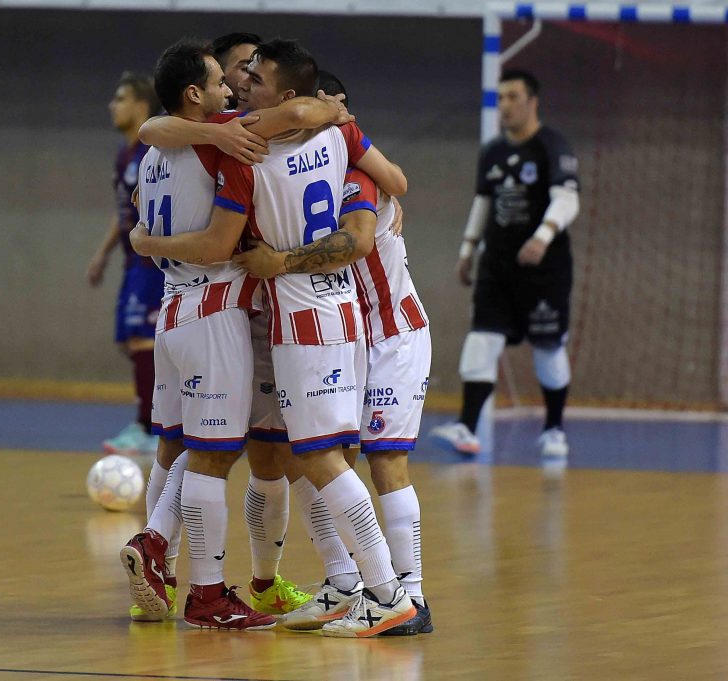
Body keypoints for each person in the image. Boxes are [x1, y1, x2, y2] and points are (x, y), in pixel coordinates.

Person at [131, 38, 416, 638]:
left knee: (284, 455)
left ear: (282, 95)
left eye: (252, 78)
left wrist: (146, 241)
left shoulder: (240, 150)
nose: (238, 86)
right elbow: (391, 176)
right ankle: (348, 584)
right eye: (231, 76)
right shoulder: (334, 135)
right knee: (270, 453)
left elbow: (161, 147)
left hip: (282, 315)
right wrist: (332, 112)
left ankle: (388, 592)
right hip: (324, 313)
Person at [233, 71, 433, 635]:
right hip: (351, 332)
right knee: (316, 456)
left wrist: (278, 262)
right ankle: (348, 584)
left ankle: (409, 596)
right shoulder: (318, 164)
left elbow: (361, 238)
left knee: (385, 460)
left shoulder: (355, 172)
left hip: (391, 332)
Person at [430, 68, 579, 459]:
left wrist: (542, 236)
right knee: (481, 340)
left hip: (545, 271)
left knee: (548, 348)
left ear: (532, 102)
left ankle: (554, 430)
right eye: (501, 98)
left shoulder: (552, 145)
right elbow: (483, 201)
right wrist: (468, 249)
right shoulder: (492, 151)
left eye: (514, 97)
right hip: (496, 266)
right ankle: (467, 428)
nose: (506, 105)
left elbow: (568, 199)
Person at [87, 72, 164, 457]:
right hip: (131, 260)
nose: (112, 106)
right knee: (131, 341)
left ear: (141, 105)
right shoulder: (124, 154)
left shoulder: (154, 152)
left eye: (120, 99)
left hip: (152, 262)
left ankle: (150, 427)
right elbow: (122, 215)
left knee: (144, 339)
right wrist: (103, 253)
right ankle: (150, 417)